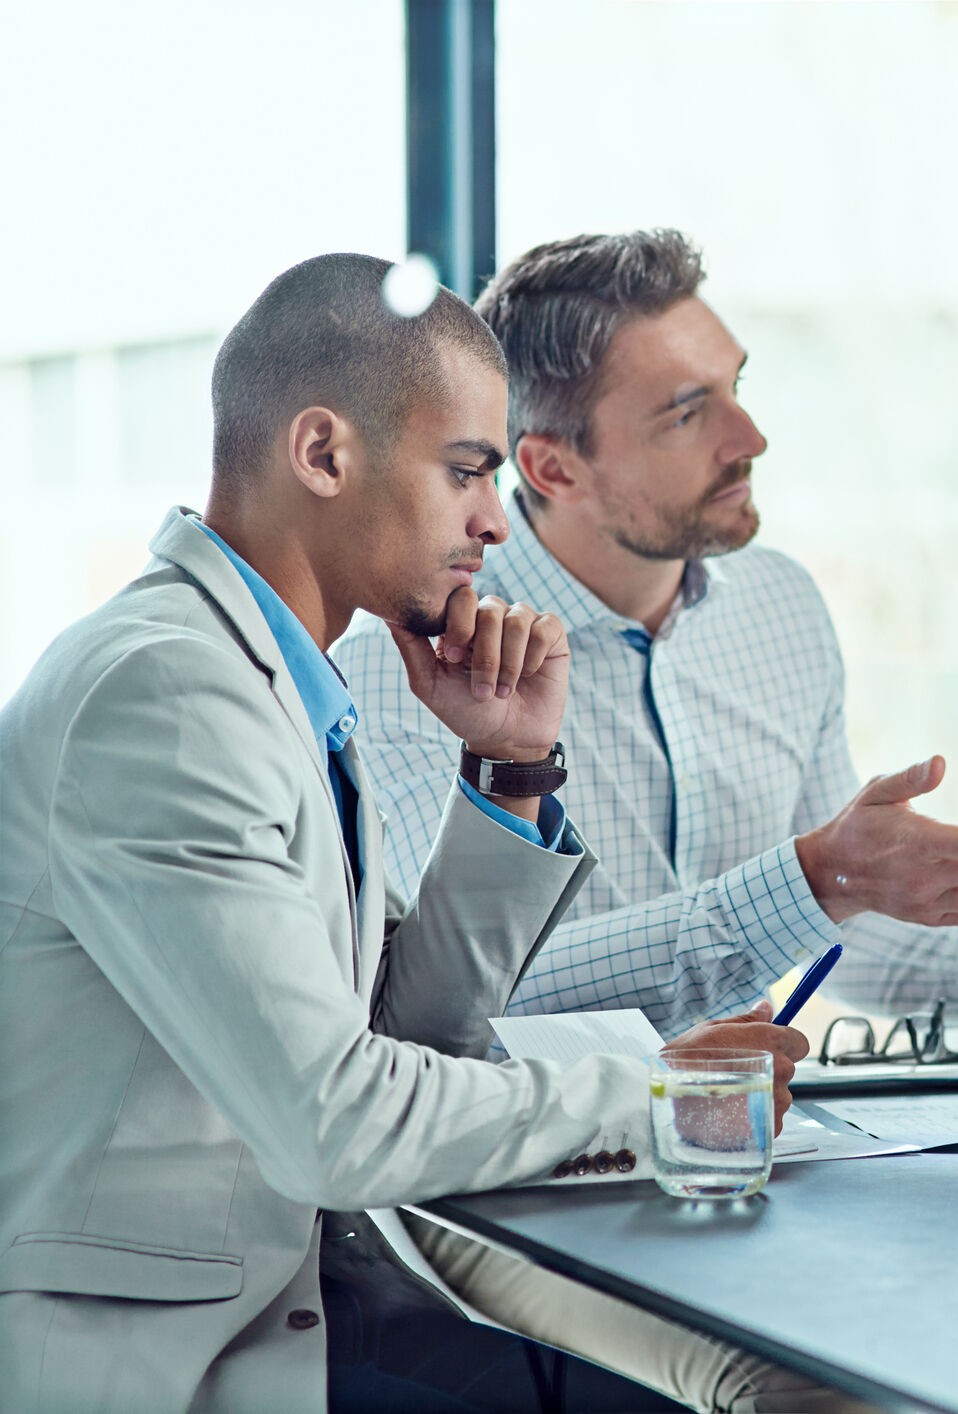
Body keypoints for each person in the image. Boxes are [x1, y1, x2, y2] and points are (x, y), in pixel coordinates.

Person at [0, 254, 806, 1413]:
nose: (494, 520)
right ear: (324, 454)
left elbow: (403, 1032)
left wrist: (508, 775)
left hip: (284, 1316)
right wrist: (660, 1096)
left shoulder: (279, 684)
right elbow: (339, 1123)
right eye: (467, 470)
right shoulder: (169, 698)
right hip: (158, 1370)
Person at [333, 227, 958, 1037]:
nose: (750, 440)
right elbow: (453, 997)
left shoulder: (781, 606)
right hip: (554, 1155)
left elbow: (850, 928)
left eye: (736, 386)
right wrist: (812, 880)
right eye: (689, 414)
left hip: (757, 1130)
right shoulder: (408, 662)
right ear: (554, 469)